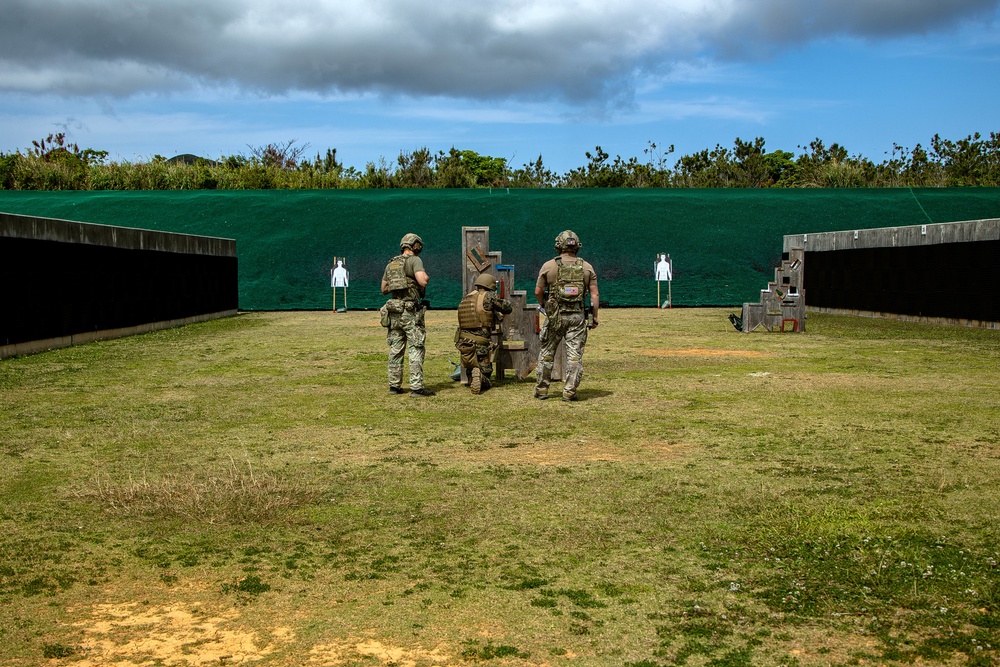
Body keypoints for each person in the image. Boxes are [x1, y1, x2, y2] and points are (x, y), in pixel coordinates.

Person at [534, 230, 599, 402]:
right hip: (577, 317)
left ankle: (542, 390)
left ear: (558, 246)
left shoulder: (549, 266)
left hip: (555, 316)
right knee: (574, 355)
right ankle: (569, 391)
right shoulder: (587, 267)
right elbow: (594, 295)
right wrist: (594, 317)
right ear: (577, 246)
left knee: (547, 353)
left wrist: (544, 305)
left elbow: (538, 291)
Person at [381, 233, 435, 396]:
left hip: (394, 312)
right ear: (416, 246)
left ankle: (394, 386)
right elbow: (422, 281)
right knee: (416, 347)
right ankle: (416, 387)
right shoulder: (415, 261)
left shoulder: (391, 264)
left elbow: (384, 289)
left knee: (396, 349)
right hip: (410, 312)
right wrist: (425, 276)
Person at [455, 273, 513, 394]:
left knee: (471, 368)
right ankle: (481, 376)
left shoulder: (466, 298)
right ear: (490, 285)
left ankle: (473, 374)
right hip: (481, 342)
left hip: (464, 343)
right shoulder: (489, 296)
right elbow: (507, 307)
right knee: (486, 374)